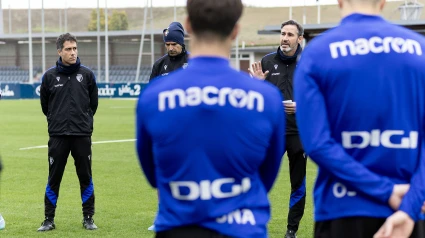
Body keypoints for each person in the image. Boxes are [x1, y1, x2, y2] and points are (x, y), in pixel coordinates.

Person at [136, 0, 285, 237]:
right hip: (242, 227)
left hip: (178, 225)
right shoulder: (266, 97)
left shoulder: (153, 97)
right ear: (235, 30)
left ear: (188, 26)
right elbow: (267, 173)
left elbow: (153, 172)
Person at [293, 0, 425, 237]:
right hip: (410, 211)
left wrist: (385, 191)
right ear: (383, 2)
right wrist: (411, 203)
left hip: (342, 209)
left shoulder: (318, 52)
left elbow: (317, 144)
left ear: (340, 1)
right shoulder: (420, 48)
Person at [248, 19, 306, 238]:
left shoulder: (309, 63)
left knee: (298, 183)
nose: (284, 38)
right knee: (259, 179)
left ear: (299, 39)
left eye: (290, 34)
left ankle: (291, 230)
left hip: (299, 134)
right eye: (283, 34)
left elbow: (320, 97)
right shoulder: (267, 61)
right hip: (271, 133)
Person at [38, 33, 98, 232]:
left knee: (85, 176)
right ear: (59, 51)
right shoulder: (49, 77)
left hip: (81, 135)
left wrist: (84, 122)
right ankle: (48, 219)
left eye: (75, 48)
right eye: (68, 49)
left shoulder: (87, 75)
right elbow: (45, 106)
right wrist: (57, 120)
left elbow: (93, 105)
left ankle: (88, 218)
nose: (73, 52)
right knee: (54, 177)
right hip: (58, 136)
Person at [147, 21, 190, 232]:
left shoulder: (193, 62)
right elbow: (150, 97)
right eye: (168, 44)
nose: (171, 47)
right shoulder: (159, 65)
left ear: (182, 43)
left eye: (174, 43)